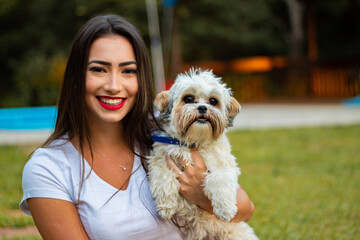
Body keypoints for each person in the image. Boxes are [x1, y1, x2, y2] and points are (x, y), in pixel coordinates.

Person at [20, 14, 254, 239]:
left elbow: (245, 209)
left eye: (128, 71)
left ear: (140, 79)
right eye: (99, 69)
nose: (114, 86)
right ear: (76, 77)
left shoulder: (164, 133)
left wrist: (200, 194)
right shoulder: (49, 168)